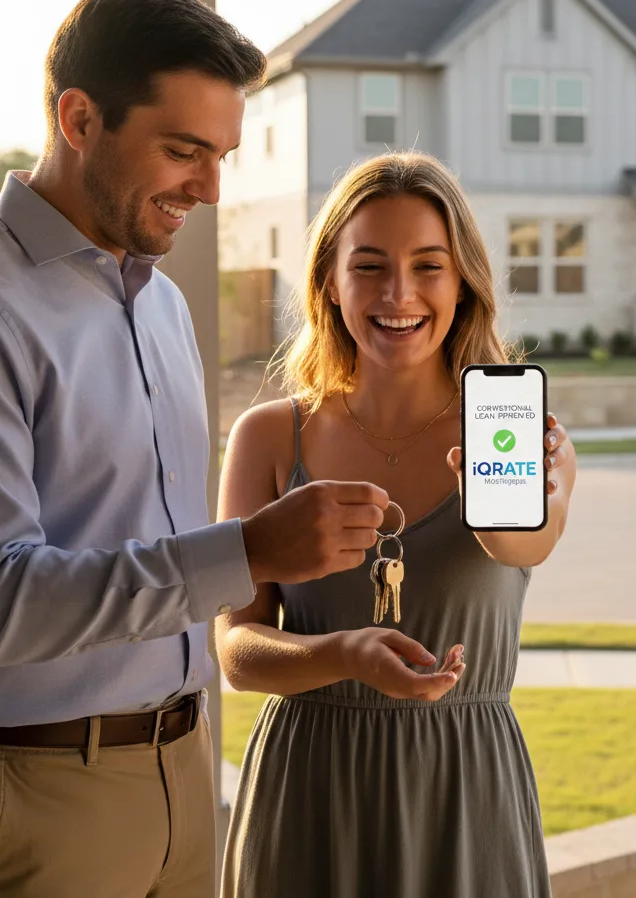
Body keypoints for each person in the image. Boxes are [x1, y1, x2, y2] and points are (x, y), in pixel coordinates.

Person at [0, 0, 437, 898]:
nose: (209, 187)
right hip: (42, 789)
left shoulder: (160, 302)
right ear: (79, 118)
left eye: (223, 155)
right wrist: (248, 551)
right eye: (183, 151)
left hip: (189, 768)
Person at [217, 151, 577, 897]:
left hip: (466, 791)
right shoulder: (267, 437)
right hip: (307, 788)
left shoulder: (515, 434)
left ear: (464, 281)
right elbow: (236, 649)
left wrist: (516, 488)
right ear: (329, 282)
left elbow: (521, 546)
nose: (399, 293)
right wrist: (344, 653)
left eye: (428, 266)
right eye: (370, 266)